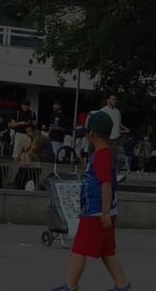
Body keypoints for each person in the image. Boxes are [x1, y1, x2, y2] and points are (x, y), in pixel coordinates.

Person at [53, 111, 131, 291]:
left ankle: (70, 286)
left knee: (79, 250)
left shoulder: (102, 155)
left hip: (96, 213)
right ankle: (122, 285)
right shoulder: (104, 154)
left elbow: (106, 184)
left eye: (86, 133)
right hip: (104, 212)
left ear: (92, 134)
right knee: (107, 252)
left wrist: (103, 211)